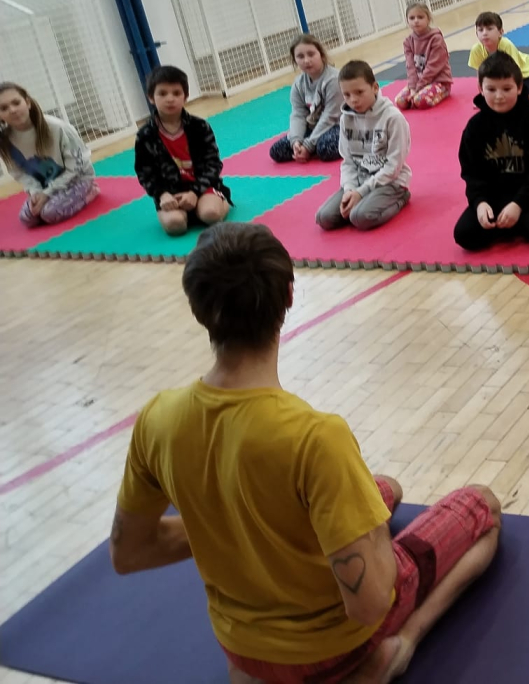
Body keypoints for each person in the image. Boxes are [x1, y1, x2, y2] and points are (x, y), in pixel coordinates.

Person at [108, 222, 501, 684]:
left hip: (243, 652)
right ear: (289, 296)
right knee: (483, 505)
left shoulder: (157, 419)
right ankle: (395, 651)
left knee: (387, 488)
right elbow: (371, 603)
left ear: (197, 308)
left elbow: (129, 552)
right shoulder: (316, 438)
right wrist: (371, 536)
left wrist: (228, 521)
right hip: (337, 650)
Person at [454, 52, 529, 251]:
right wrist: (480, 203)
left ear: (519, 87)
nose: (499, 96)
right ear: (480, 89)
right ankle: (512, 224)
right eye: (491, 89)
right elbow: (471, 174)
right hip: (494, 196)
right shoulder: (475, 127)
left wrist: (518, 204)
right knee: (465, 235)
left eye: (507, 89)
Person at [134, 65, 232, 236]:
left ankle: (220, 200)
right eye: (162, 93)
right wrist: (162, 195)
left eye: (176, 93)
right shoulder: (145, 135)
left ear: (185, 97)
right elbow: (145, 173)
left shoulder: (199, 126)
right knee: (175, 225)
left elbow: (213, 164)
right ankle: (188, 213)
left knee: (211, 215)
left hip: (203, 186)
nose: (170, 99)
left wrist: (195, 192)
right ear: (151, 97)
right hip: (170, 193)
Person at [316, 62, 411, 231]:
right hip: (359, 181)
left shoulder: (393, 118)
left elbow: (393, 166)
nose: (353, 100)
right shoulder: (346, 119)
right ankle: (359, 204)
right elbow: (348, 161)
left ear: (375, 87)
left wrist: (361, 193)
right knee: (324, 218)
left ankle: (401, 197)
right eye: (346, 95)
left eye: (359, 92)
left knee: (360, 218)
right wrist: (349, 190)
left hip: (389, 182)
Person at [0, 81, 100, 227]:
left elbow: (78, 165)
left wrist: (48, 193)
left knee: (49, 213)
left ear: (27, 102)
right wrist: (36, 192)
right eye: (4, 108)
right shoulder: (5, 140)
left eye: (16, 103)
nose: (12, 110)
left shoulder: (57, 127)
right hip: (45, 185)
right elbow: (19, 173)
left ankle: (91, 191)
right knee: (27, 218)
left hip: (77, 179)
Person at [269, 34, 343, 163]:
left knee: (325, 148)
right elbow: (298, 114)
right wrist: (296, 141)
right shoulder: (299, 84)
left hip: (339, 125)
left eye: (311, 54)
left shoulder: (333, 79)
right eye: (300, 56)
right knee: (277, 151)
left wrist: (308, 145)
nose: (306, 60)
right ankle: (305, 149)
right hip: (314, 128)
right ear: (295, 60)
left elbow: (330, 116)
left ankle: (314, 148)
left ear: (321, 54)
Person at [469, 11, 529, 106]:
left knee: (518, 101)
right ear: (476, 34)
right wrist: (484, 97)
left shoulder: (506, 45)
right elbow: (480, 77)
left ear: (500, 32)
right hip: (506, 78)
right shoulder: (476, 50)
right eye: (480, 30)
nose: (485, 33)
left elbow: (516, 74)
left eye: (489, 29)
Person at [394, 3, 452, 110]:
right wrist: (412, 87)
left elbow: (433, 67)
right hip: (418, 83)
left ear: (428, 19)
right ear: (407, 21)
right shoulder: (408, 41)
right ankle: (417, 93)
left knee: (420, 101)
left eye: (420, 17)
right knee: (400, 101)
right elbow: (410, 67)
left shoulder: (436, 39)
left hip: (439, 81)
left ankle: (444, 92)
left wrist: (418, 88)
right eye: (412, 18)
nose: (416, 21)